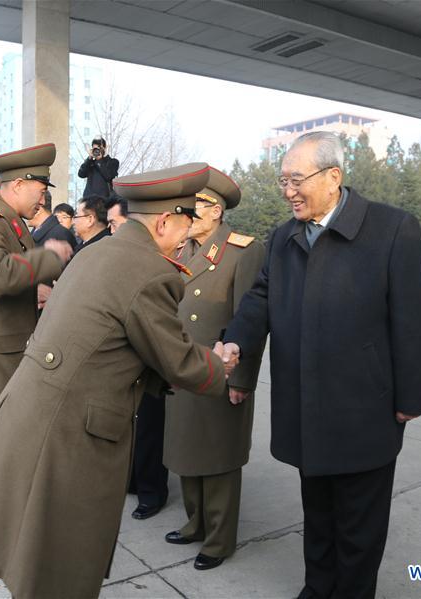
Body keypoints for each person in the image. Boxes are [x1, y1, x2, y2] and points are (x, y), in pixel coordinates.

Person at [0, 162, 231, 599]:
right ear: (164, 221)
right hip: (68, 436)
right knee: (59, 568)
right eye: (185, 224)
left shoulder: (100, 252)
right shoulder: (149, 270)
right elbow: (178, 360)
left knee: (31, 556)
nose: (188, 236)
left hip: (33, 417)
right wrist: (218, 366)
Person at [219, 131, 421, 599]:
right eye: (283, 181)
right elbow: (260, 299)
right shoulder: (284, 238)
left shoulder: (392, 229)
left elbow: (414, 322)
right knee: (317, 515)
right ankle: (317, 590)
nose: (288, 191)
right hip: (306, 405)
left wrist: (412, 396)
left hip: (364, 410)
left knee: (359, 527)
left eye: (297, 179)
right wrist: (235, 340)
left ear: (333, 176)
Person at [162, 166, 266, 571]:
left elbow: (250, 319)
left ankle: (219, 540)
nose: (189, 214)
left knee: (219, 455)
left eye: (197, 207)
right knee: (186, 449)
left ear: (217, 211)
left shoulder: (242, 250)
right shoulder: (181, 249)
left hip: (220, 372)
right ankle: (195, 524)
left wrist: (242, 380)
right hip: (183, 370)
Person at [0, 143, 71, 500]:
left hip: (8, 344)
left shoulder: (10, 223)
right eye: (40, 190)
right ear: (18, 184)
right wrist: (49, 258)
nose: (43, 199)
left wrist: (34, 288)